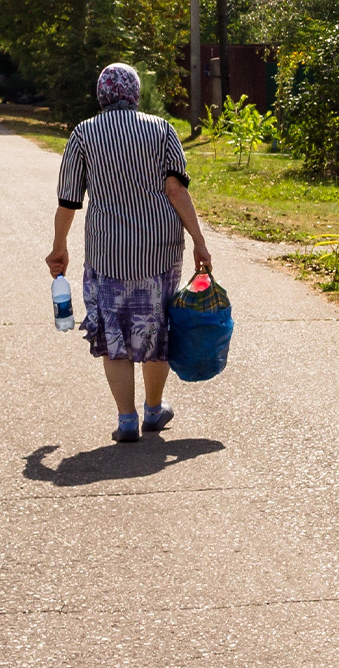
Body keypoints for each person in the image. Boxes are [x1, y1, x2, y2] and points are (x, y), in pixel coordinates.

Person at [44, 63, 214, 443]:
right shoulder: (162, 130)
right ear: (135, 92)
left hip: (108, 253)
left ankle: (126, 419)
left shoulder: (84, 134)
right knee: (157, 326)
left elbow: (68, 202)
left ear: (101, 94)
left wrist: (59, 248)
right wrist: (200, 241)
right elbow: (176, 191)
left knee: (114, 332)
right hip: (160, 248)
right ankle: (154, 410)